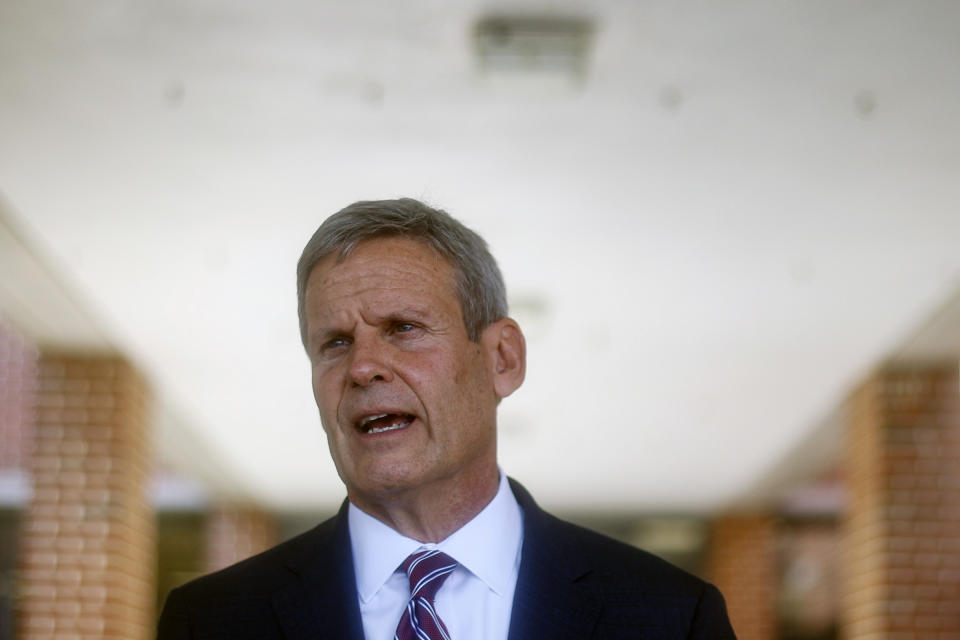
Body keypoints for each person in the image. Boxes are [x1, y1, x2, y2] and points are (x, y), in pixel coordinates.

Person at [157, 198, 737, 639]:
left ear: (502, 359)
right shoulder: (211, 621)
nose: (362, 367)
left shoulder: (669, 616)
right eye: (333, 342)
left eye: (403, 329)